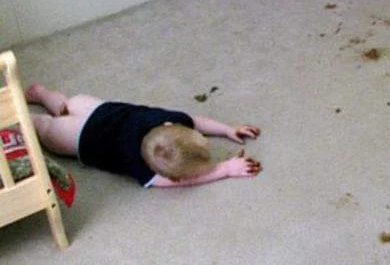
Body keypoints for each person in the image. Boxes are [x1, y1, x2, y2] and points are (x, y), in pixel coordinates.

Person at [25, 83, 261, 188]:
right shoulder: (144, 168)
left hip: (96, 108)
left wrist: (227, 129)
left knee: (67, 104)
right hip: (80, 137)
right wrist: (225, 169)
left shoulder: (168, 120)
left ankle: (43, 94)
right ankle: (31, 117)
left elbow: (197, 121)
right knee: (44, 127)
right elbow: (187, 180)